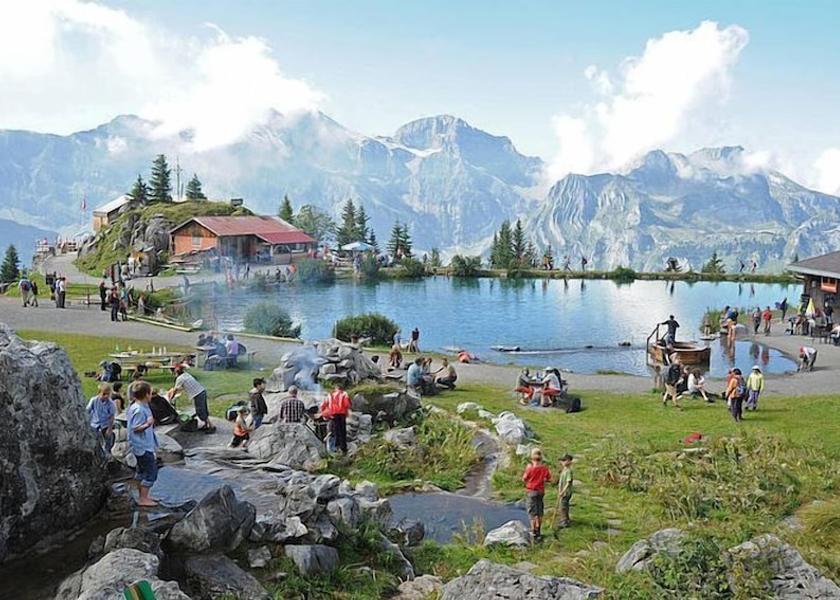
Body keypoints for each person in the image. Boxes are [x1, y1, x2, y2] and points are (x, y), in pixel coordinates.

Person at [127, 381, 158, 507]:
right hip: (142, 446)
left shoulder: (139, 406)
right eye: (151, 393)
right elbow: (135, 428)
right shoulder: (139, 410)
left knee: (142, 471)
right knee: (151, 472)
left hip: (142, 445)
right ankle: (143, 498)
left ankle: (142, 495)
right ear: (146, 395)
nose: (152, 395)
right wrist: (148, 424)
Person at [170, 366, 214, 432]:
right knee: (203, 409)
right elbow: (183, 386)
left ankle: (211, 426)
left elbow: (175, 390)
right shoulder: (186, 374)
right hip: (202, 391)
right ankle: (206, 425)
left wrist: (171, 398)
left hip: (198, 394)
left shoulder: (179, 378)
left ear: (175, 372)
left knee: (201, 411)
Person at [522, 447, 551, 541]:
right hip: (541, 491)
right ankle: (539, 530)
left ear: (532, 458)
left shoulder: (530, 468)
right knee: (539, 511)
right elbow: (549, 479)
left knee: (532, 513)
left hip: (531, 491)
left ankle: (533, 531)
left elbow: (524, 479)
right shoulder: (544, 468)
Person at [320, 384, 351, 454]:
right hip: (342, 414)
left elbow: (323, 404)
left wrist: (323, 412)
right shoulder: (344, 394)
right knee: (342, 431)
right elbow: (347, 404)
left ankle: (336, 446)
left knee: (335, 430)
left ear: (335, 388)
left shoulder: (330, 395)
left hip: (333, 414)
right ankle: (343, 447)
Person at [87, 383, 116, 453]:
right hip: (94, 424)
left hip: (105, 425)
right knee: (94, 441)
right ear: (99, 393)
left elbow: (111, 417)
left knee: (107, 441)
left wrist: (109, 429)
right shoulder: (94, 400)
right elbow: (87, 410)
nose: (106, 396)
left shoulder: (110, 404)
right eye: (104, 394)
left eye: (108, 394)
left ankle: (107, 453)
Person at [556, 454, 574, 528]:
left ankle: (564, 522)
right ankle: (566, 519)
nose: (562, 462)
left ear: (569, 461)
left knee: (563, 506)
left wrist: (562, 491)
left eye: (564, 460)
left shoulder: (568, 471)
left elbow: (568, 482)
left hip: (566, 492)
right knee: (565, 505)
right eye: (561, 461)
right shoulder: (564, 470)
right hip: (563, 491)